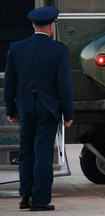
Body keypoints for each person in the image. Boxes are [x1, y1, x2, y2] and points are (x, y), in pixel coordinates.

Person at [4, 6, 74, 211]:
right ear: (51, 26)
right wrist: (68, 113)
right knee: (42, 152)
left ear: (33, 25)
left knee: (26, 152)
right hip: (48, 108)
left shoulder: (16, 48)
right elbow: (64, 85)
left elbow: (10, 82)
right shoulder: (60, 50)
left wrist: (11, 110)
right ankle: (40, 199)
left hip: (25, 107)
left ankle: (25, 197)